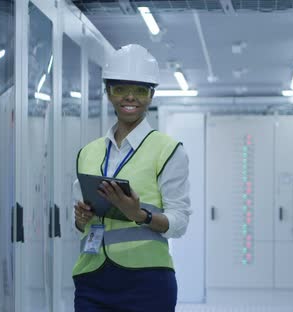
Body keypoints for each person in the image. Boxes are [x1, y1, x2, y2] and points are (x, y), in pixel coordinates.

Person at [72, 44, 192, 312]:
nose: (130, 97)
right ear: (108, 92)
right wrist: (80, 219)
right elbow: (81, 223)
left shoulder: (168, 150)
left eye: (140, 90)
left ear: (151, 95)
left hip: (147, 282)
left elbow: (180, 221)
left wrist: (140, 215)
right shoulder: (87, 153)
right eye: (120, 89)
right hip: (91, 278)